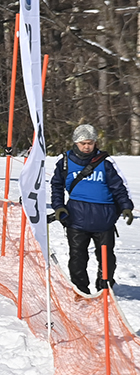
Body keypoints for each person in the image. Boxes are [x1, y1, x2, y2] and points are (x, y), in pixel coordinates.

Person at [50, 123, 134, 295]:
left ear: (95, 142)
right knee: (77, 258)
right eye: (83, 143)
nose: (87, 146)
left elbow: (119, 187)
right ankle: (80, 291)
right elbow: (56, 186)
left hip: (104, 219)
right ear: (75, 143)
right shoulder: (65, 162)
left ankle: (105, 288)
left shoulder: (106, 162)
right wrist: (58, 207)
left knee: (106, 259)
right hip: (76, 219)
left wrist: (126, 206)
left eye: (90, 142)